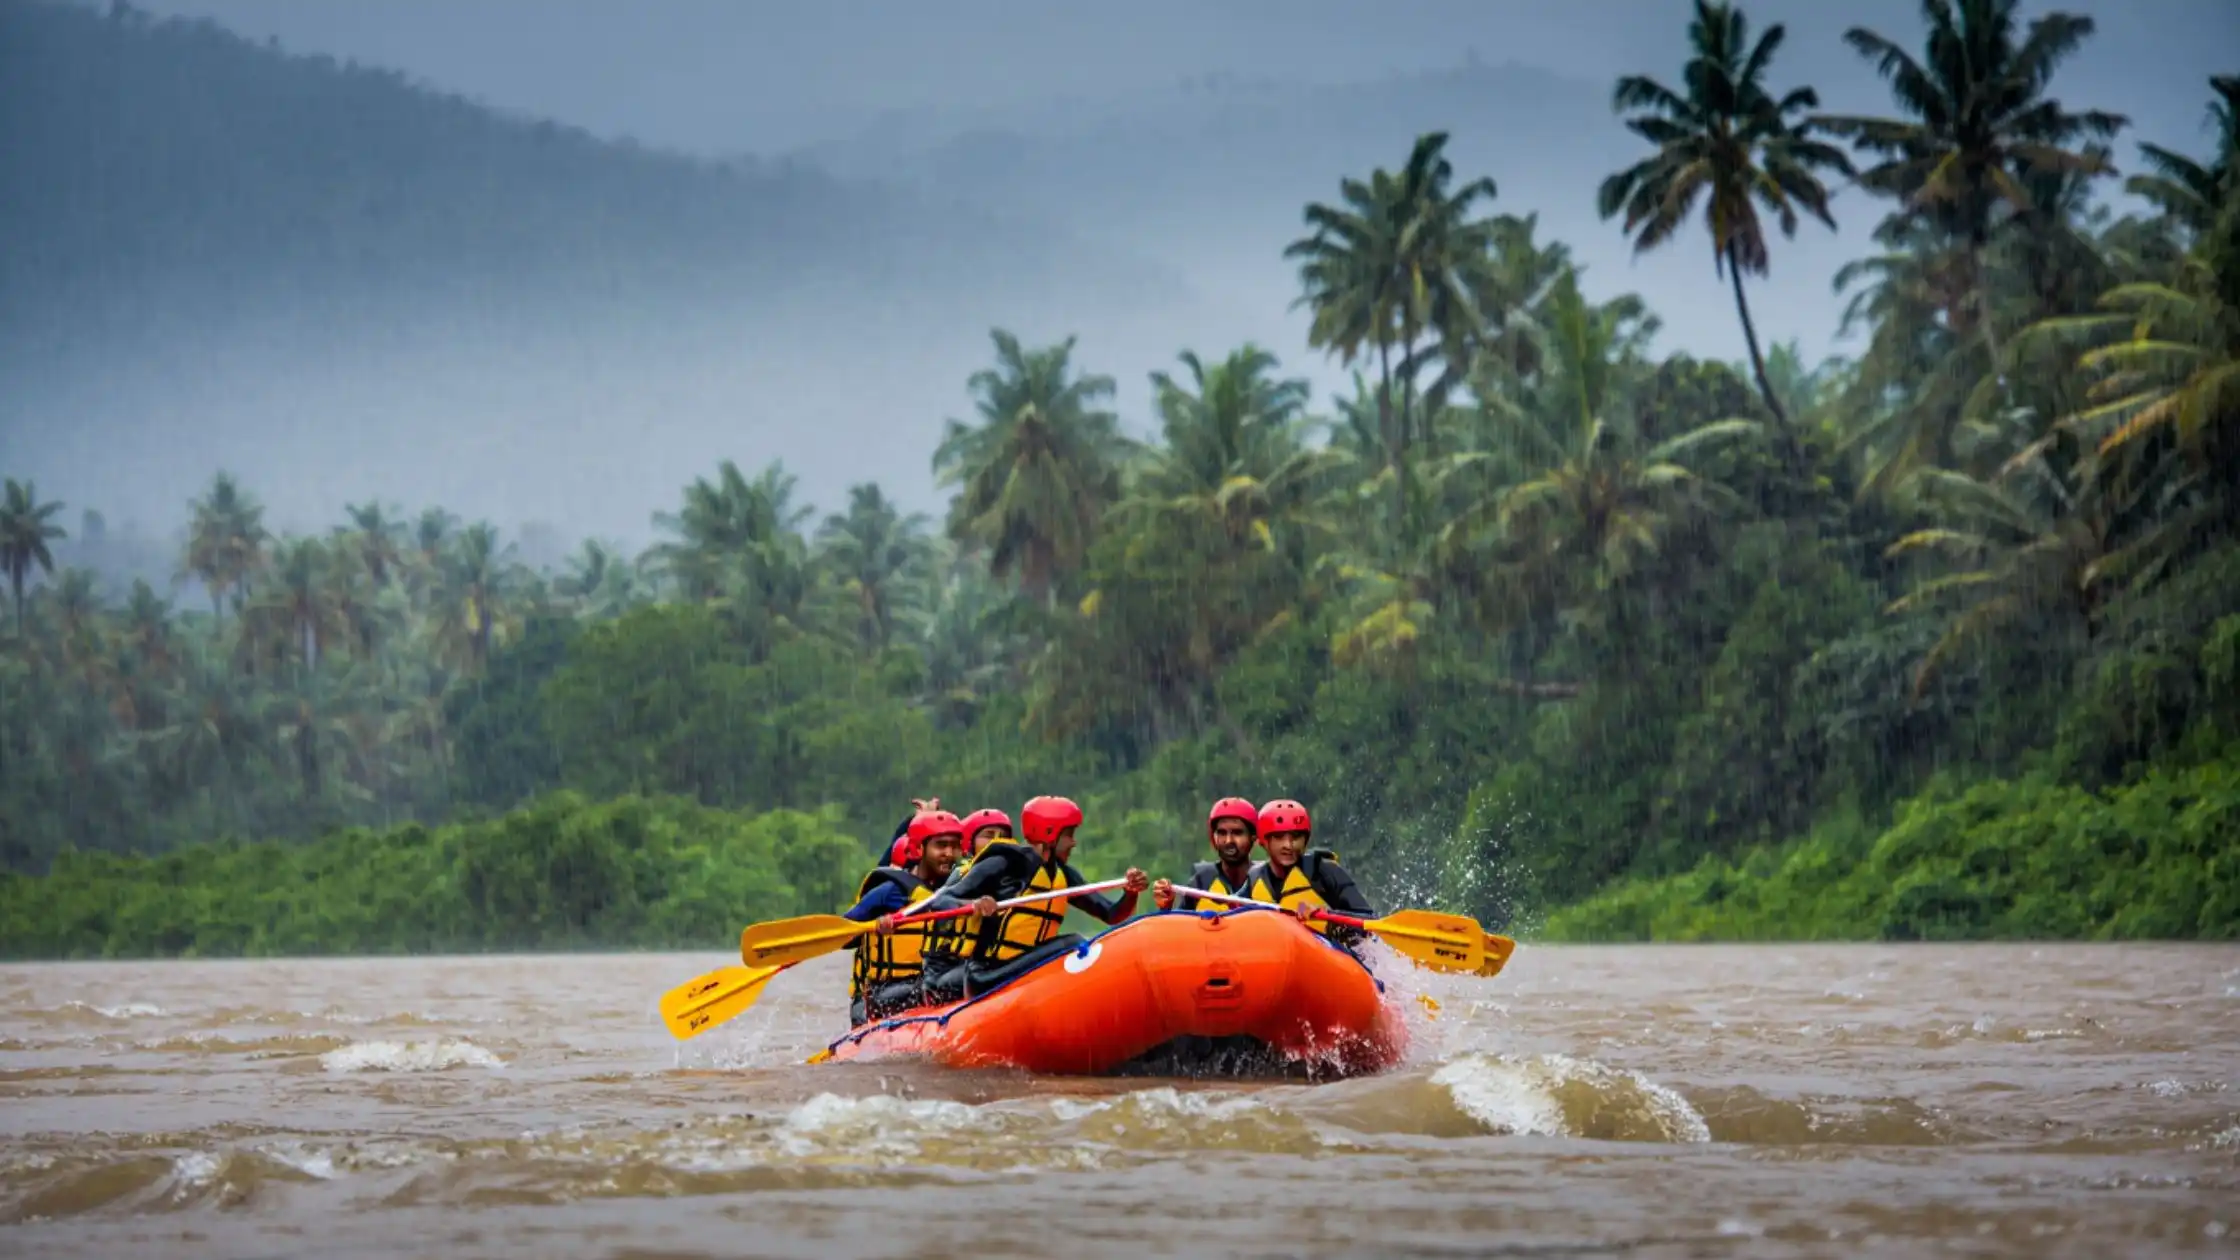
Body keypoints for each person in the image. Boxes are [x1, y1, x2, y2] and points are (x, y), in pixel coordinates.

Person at [919, 795, 1149, 1001]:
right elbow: (940, 902)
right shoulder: (1004, 863)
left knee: (1076, 943)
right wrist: (972, 905)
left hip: (1028, 967)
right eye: (1069, 835)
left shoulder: (1062, 874)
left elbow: (1112, 915)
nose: (1073, 842)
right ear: (1049, 834)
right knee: (1073, 943)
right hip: (985, 976)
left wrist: (1130, 893)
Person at [839, 806, 966, 1026]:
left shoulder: (960, 886)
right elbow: (844, 936)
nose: (949, 853)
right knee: (942, 986)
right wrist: (874, 925)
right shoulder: (889, 891)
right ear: (919, 849)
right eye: (941, 845)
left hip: (934, 980)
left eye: (955, 846)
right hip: (885, 993)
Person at [1244, 798, 1376, 949]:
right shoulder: (1254, 880)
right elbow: (1230, 912)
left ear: (1305, 840)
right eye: (1279, 837)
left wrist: (1328, 916)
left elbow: (1369, 920)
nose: (1288, 845)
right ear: (1264, 842)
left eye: (1296, 837)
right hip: (1273, 959)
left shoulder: (1323, 871)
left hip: (1329, 957)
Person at [1151, 796, 1259, 911]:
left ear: (1253, 837)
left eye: (1237, 833)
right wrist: (1166, 906)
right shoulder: (1201, 882)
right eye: (1222, 833)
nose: (1229, 841)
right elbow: (1179, 925)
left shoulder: (1266, 879)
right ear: (1213, 837)